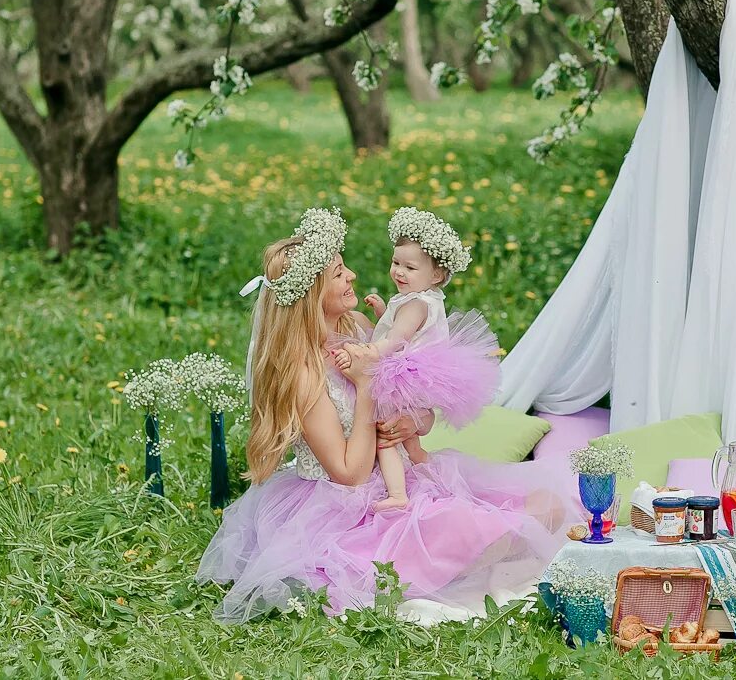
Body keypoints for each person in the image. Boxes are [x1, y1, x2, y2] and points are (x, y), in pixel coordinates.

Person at [197, 207, 578, 623]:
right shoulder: (304, 373)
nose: (353, 277)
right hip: (344, 505)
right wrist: (362, 387)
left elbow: (420, 405)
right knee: (472, 530)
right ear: (311, 293)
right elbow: (349, 473)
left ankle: (447, 558)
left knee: (546, 507)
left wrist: (413, 423)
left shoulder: (360, 326)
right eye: (339, 273)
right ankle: (436, 564)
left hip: (398, 473)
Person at [333, 206, 500, 511]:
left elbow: (396, 338)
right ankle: (420, 458)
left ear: (437, 274)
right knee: (400, 432)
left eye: (409, 268)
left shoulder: (415, 305)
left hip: (403, 371)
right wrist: (384, 312)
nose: (398, 272)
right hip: (419, 372)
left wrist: (370, 351)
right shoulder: (423, 300)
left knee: (385, 435)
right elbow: (402, 328)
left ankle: (397, 494)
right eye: (396, 262)